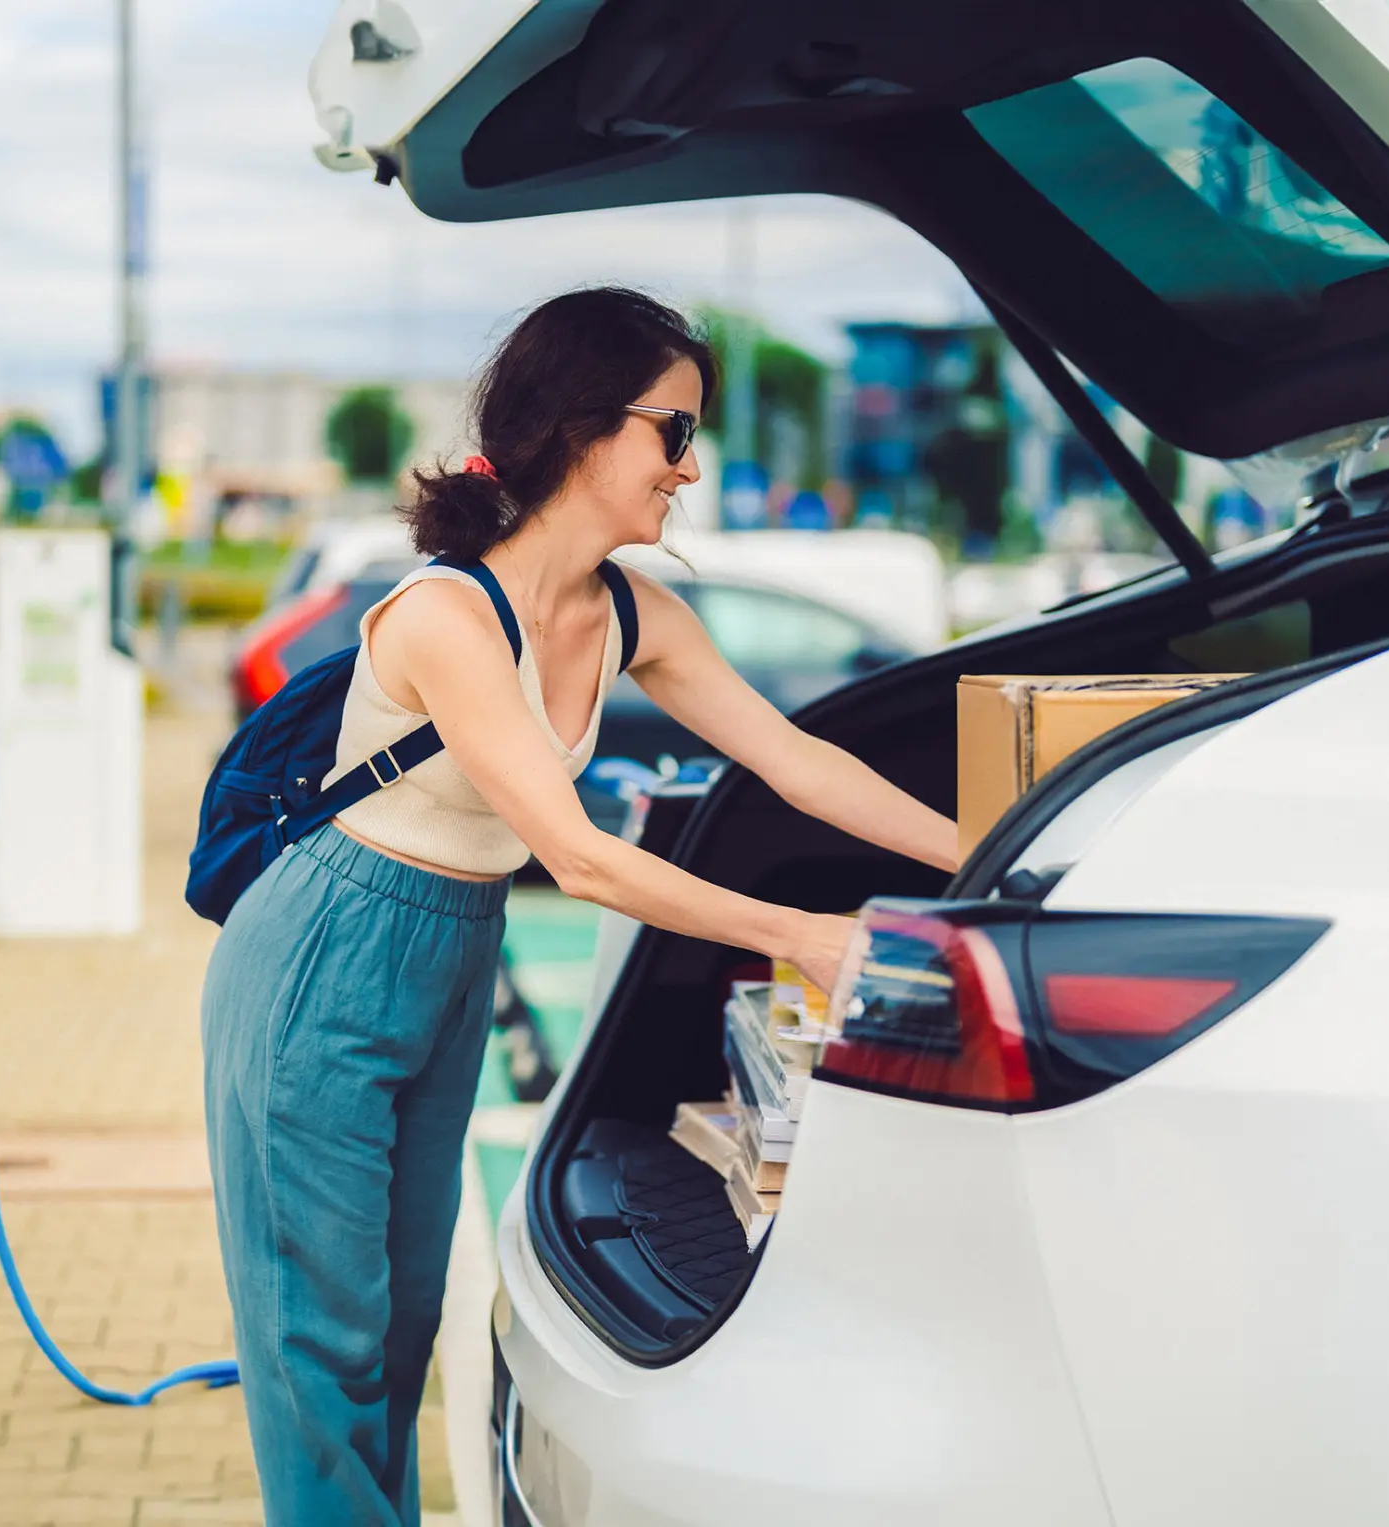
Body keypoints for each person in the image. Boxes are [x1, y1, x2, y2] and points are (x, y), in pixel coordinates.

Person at [200, 286, 957, 1524]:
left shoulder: (634, 617)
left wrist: (990, 853)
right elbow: (581, 856)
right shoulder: (446, 616)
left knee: (397, 1325)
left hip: (453, 944)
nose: (690, 469)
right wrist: (796, 935)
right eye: (674, 432)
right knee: (314, 1338)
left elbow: (798, 764)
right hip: (322, 946)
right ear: (582, 427)